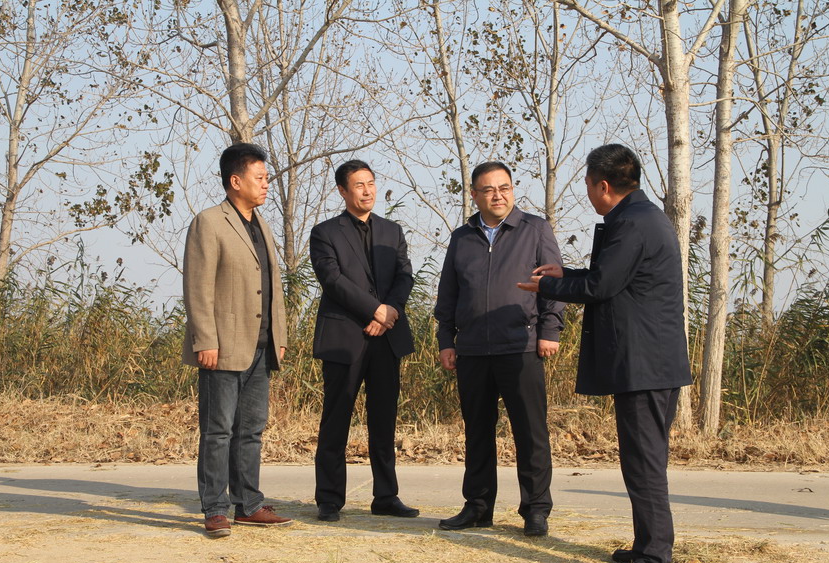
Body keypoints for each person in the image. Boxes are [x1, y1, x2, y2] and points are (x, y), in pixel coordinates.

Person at [518, 144, 691, 563]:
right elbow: (609, 278)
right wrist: (563, 276)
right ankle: (647, 543)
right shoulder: (641, 217)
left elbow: (601, 286)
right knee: (643, 459)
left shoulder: (633, 223)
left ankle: (654, 558)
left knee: (644, 462)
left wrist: (546, 288)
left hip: (645, 365)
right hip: (648, 362)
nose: (589, 193)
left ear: (604, 185)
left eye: (588, 185)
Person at [434, 161, 565, 537]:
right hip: (473, 349)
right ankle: (477, 507)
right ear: (474, 194)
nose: (498, 195)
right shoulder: (462, 238)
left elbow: (554, 283)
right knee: (477, 433)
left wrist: (549, 330)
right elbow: (448, 294)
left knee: (530, 432)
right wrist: (446, 340)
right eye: (489, 189)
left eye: (504, 187)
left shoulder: (534, 229)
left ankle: (535, 509)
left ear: (512, 190)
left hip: (521, 346)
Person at [182, 143, 293, 538]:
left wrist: (279, 335)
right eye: (259, 177)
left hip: (260, 346)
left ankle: (249, 504)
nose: (266, 184)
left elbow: (273, 285)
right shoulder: (209, 222)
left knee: (251, 431)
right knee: (218, 432)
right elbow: (198, 288)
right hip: (223, 346)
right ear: (235, 181)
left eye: (266, 177)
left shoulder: (261, 224)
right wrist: (205, 340)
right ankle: (215, 509)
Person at [310, 159, 419, 522]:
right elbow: (333, 280)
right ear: (343, 190)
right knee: (336, 419)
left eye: (371, 183)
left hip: (386, 338)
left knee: (384, 420)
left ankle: (386, 496)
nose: (367, 190)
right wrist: (375, 310)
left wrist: (390, 312)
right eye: (359, 185)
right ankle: (329, 499)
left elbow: (405, 275)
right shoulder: (325, 233)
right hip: (344, 337)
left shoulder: (392, 230)